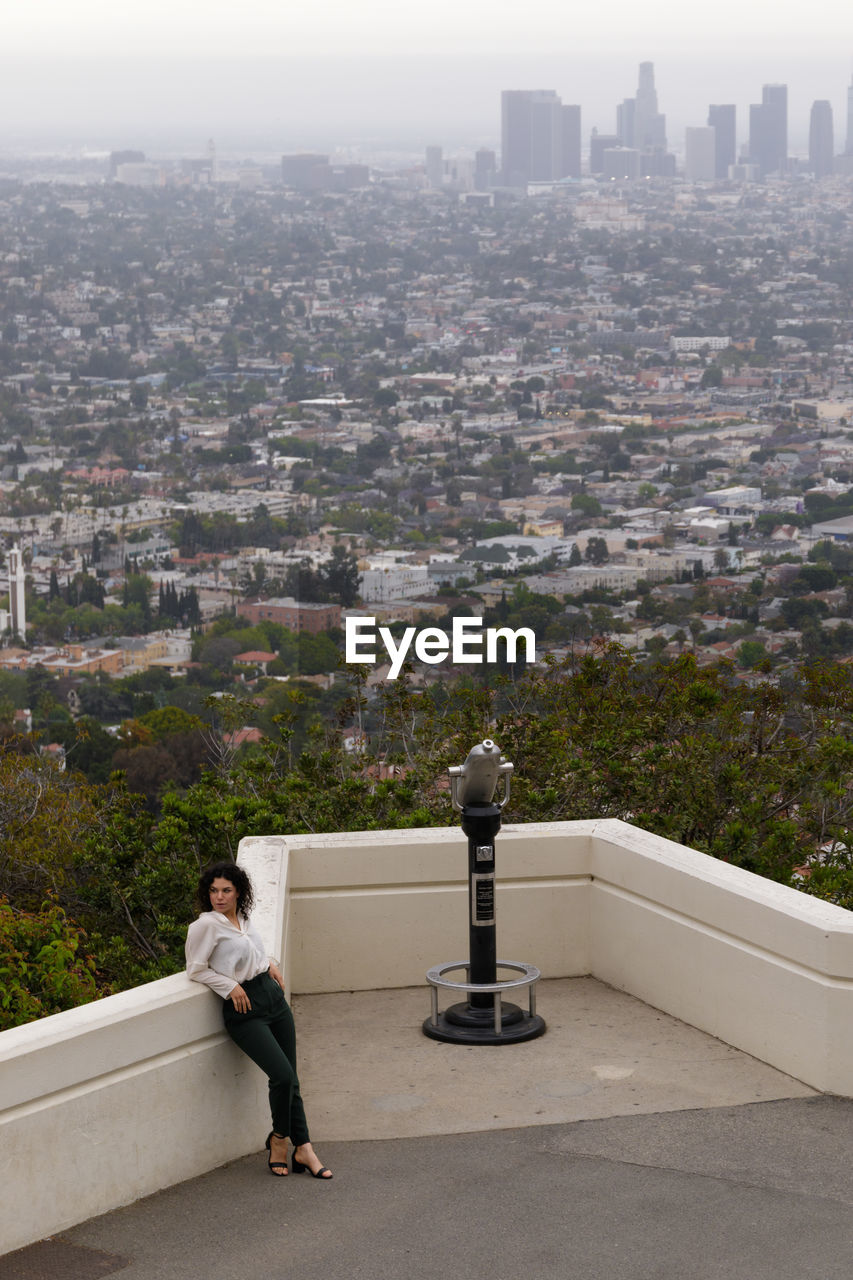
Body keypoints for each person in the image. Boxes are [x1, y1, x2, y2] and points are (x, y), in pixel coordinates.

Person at [185, 859, 332, 1180]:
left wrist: (269, 965)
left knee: (291, 1077)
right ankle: (279, 1140)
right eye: (213, 891)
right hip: (244, 1009)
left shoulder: (244, 919)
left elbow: (253, 953)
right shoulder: (205, 926)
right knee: (281, 1076)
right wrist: (230, 986)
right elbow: (195, 969)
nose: (219, 897)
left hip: (272, 997)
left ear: (239, 893)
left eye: (226, 890)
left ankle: (303, 1147)